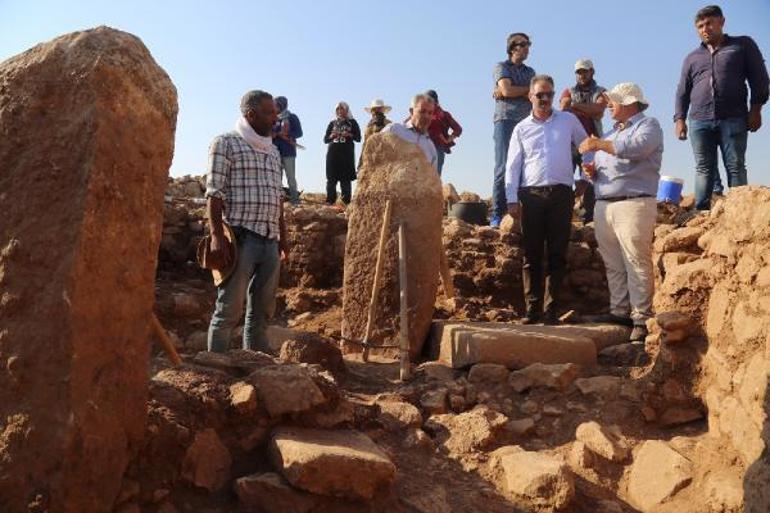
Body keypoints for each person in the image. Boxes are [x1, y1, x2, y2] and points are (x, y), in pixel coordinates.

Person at [205, 90, 289, 353]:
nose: (275, 118)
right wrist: (217, 237)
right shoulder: (226, 143)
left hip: (269, 239)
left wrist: (282, 238)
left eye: (275, 112)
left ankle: (257, 368)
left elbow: (277, 198)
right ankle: (215, 373)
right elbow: (214, 194)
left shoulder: (273, 151)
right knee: (228, 311)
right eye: (269, 113)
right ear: (251, 115)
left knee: (261, 313)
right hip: (241, 239)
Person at [579, 83, 663, 343]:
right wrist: (593, 173)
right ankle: (620, 311)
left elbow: (636, 149)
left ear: (629, 103)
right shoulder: (613, 133)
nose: (608, 105)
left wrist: (599, 144)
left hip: (634, 203)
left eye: (613, 101)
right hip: (605, 204)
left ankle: (641, 318)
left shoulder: (648, 126)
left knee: (636, 261)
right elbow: (611, 164)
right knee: (613, 262)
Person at [505, 75, 588, 324]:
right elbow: (512, 165)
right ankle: (532, 310)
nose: (544, 99)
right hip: (531, 196)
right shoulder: (521, 128)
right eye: (539, 94)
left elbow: (587, 146)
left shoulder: (568, 120)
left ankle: (551, 311)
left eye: (549, 94)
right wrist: (511, 199)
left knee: (557, 253)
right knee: (531, 255)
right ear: (530, 96)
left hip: (561, 194)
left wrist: (584, 175)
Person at [674, 4, 769, 211]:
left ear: (722, 22)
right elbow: (682, 90)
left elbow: (760, 79)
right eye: (700, 26)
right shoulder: (692, 58)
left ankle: (739, 211)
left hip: (733, 117)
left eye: (709, 23)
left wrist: (756, 110)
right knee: (703, 168)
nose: (705, 29)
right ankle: (701, 213)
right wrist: (680, 119)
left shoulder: (742, 45)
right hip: (699, 120)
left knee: (735, 166)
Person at [491, 32, 536, 228]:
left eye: (528, 44)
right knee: (502, 167)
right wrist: (524, 90)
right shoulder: (501, 67)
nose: (528, 48)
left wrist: (510, 90)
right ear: (513, 48)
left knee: (525, 167)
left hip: (527, 122)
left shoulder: (530, 72)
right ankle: (497, 214)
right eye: (524, 44)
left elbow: (531, 94)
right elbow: (507, 91)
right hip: (506, 120)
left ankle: (522, 213)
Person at [560, 58, 607, 224]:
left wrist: (575, 105)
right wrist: (587, 108)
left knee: (591, 180)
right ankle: (563, 215)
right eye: (579, 72)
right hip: (570, 143)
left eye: (584, 71)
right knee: (564, 178)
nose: (581, 75)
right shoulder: (569, 90)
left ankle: (590, 219)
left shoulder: (600, 91)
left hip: (592, 142)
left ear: (592, 71)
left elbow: (599, 111)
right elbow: (563, 107)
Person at [381, 93, 438, 168]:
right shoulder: (394, 130)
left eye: (430, 113)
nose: (426, 116)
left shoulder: (431, 149)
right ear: (411, 111)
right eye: (422, 111)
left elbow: (432, 178)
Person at [323, 102, 361, 206]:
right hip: (333, 153)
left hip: (346, 154)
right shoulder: (332, 123)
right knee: (331, 178)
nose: (340, 111)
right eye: (338, 109)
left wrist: (349, 134)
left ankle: (346, 203)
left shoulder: (352, 122)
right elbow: (325, 139)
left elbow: (358, 138)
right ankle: (330, 201)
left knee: (345, 179)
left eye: (342, 109)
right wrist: (332, 136)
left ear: (346, 110)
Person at [272, 96, 303, 205]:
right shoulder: (272, 119)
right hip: (274, 152)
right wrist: (276, 134)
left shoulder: (292, 117)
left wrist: (288, 134)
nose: (273, 107)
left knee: (291, 177)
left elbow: (299, 132)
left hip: (289, 152)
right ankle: (277, 201)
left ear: (281, 105)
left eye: (275, 105)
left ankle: (295, 200)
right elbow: (267, 133)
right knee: (276, 178)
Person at [424, 89, 462, 176]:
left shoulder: (444, 115)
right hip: (423, 148)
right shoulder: (422, 114)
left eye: (429, 100)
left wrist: (448, 140)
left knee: (434, 180)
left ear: (435, 101)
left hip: (437, 149)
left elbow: (458, 129)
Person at [358, 98, 392, 169]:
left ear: (382, 110)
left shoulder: (389, 124)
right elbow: (365, 144)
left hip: (383, 156)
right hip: (370, 156)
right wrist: (361, 162)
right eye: (374, 109)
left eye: (378, 109)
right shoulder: (368, 126)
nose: (376, 111)